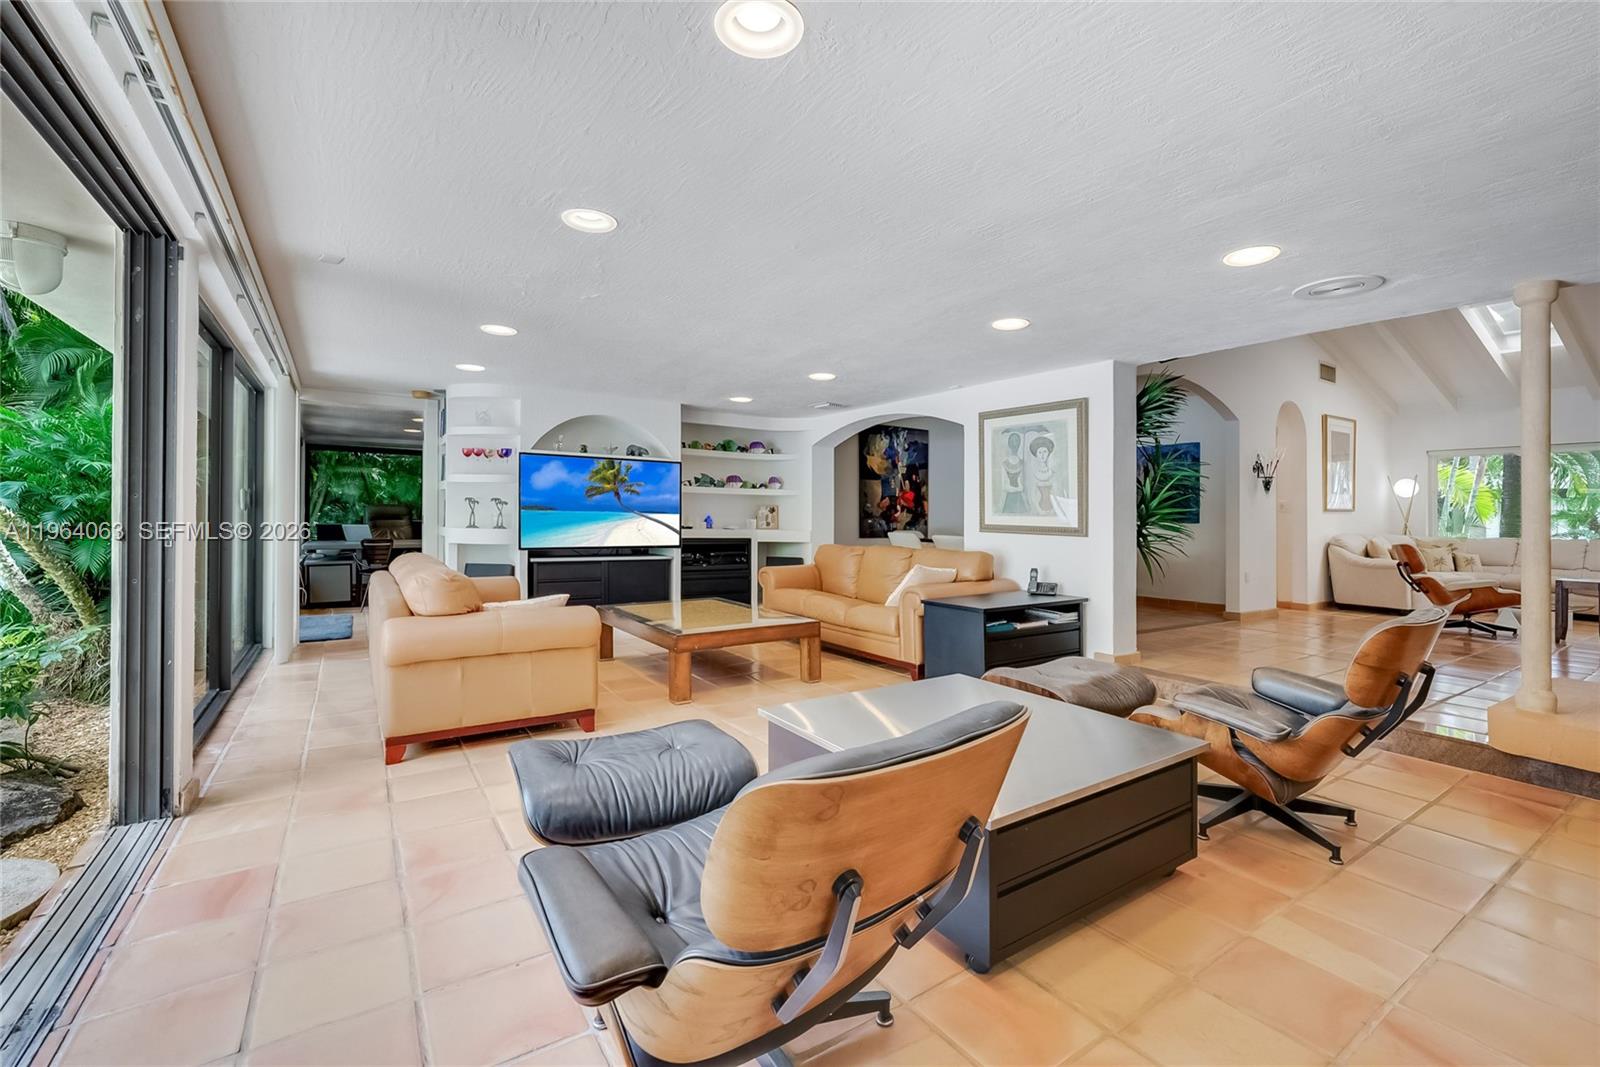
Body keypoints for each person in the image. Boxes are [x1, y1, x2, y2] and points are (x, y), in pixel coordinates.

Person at [999, 433, 1027, 513]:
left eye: (1017, 442)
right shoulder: (1004, 463)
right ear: (1009, 444)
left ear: (1019, 444)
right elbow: (1004, 487)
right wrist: (1018, 488)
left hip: (1020, 499)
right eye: (1012, 442)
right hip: (1009, 499)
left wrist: (1021, 487)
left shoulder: (1022, 463)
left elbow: (1024, 485)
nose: (1015, 444)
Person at [1030, 435, 1056, 513]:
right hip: (1039, 509)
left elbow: (1055, 494)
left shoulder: (1052, 473)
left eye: (1045, 451)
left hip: (1052, 509)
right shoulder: (1035, 474)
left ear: (1048, 453)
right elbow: (1033, 496)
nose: (1042, 455)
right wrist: (1039, 510)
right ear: (1036, 454)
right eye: (1040, 452)